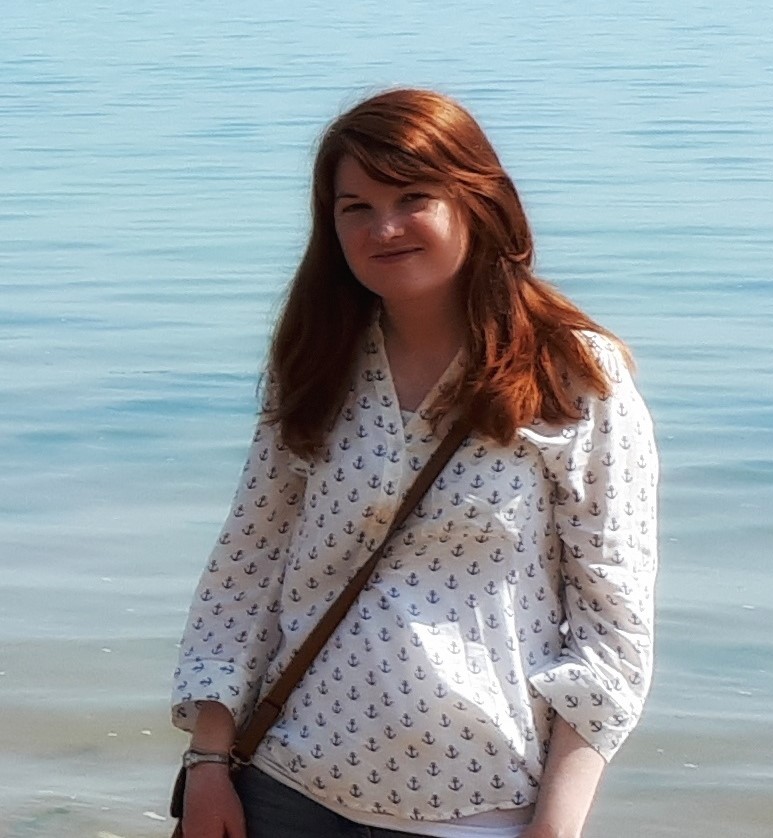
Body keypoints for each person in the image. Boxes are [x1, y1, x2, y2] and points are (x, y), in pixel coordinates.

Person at [171, 88, 658, 838]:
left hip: (479, 806)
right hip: (287, 787)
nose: (384, 228)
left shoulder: (572, 375)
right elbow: (247, 569)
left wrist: (556, 824)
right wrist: (208, 762)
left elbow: (612, 621)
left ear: (476, 201)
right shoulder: (318, 362)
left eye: (412, 198)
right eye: (355, 207)